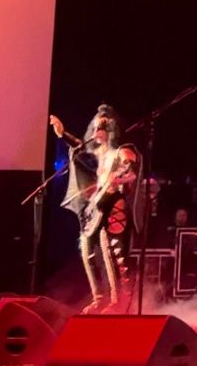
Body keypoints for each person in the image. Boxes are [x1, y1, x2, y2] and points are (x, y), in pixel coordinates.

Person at [51, 105, 142, 314]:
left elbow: (131, 173)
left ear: (111, 129)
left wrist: (117, 178)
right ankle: (99, 298)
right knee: (86, 247)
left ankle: (118, 300)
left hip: (114, 205)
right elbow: (80, 147)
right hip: (98, 206)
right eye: (95, 127)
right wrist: (62, 134)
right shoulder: (98, 153)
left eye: (101, 127)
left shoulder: (122, 151)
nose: (96, 131)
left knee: (112, 252)